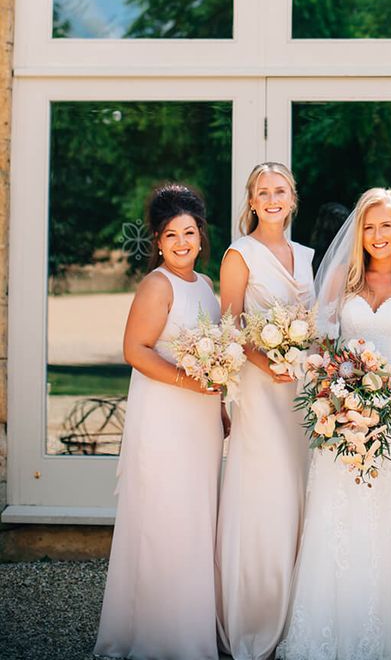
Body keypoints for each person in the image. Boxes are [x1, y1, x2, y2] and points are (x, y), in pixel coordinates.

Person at [277, 187, 391, 660]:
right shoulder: (341, 284)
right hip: (342, 412)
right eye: (368, 227)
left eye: (386, 225)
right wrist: (337, 394)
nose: (377, 235)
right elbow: (320, 347)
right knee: (339, 512)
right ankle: (329, 629)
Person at [94, 183, 223, 660]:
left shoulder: (206, 285)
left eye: (189, 233)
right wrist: (189, 383)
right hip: (165, 418)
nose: (183, 243)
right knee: (166, 518)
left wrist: (221, 405)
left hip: (202, 422)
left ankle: (190, 632)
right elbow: (135, 350)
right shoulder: (157, 285)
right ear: (158, 240)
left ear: (200, 234)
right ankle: (159, 638)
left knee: (195, 520)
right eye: (172, 236)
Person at [215, 162, 315, 660]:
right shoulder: (240, 254)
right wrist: (265, 360)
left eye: (280, 191)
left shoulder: (306, 255)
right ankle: (253, 618)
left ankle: (296, 615)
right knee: (265, 493)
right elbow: (229, 327)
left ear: (292, 199)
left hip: (301, 394)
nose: (272, 199)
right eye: (263, 192)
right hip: (259, 388)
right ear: (251, 202)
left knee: (299, 489)